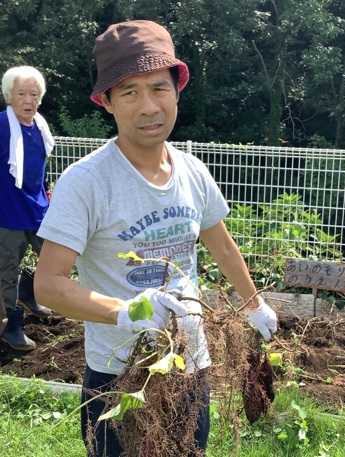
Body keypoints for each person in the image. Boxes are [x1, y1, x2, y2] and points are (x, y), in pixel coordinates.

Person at [34, 20, 278, 457]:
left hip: (189, 366)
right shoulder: (86, 182)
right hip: (118, 374)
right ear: (107, 102)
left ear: (177, 91)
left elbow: (221, 245)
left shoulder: (192, 172)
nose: (148, 106)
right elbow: (49, 286)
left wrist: (253, 304)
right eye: (129, 92)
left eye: (159, 88)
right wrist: (128, 311)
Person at [0, 65, 53, 352]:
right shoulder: (2, 126)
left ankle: (30, 292)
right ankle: (11, 327)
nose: (28, 100)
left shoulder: (40, 128)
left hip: (38, 210)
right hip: (7, 215)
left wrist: (47, 192)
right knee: (6, 270)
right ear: (10, 96)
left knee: (53, 258)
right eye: (22, 93)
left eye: (34, 94)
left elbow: (39, 169)